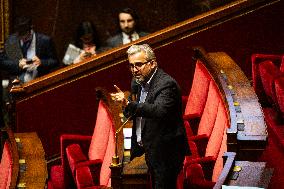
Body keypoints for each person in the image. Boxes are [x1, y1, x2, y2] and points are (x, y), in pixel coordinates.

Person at [111, 44, 190, 189]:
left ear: (152, 63)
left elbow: (159, 111)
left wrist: (129, 104)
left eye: (139, 65)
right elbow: (139, 110)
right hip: (151, 147)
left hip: (167, 151)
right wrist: (126, 106)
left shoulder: (166, 84)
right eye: (131, 65)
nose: (134, 70)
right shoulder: (138, 81)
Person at [2, 16, 59, 83]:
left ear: (31, 30)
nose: (23, 39)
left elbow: (55, 62)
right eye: (20, 37)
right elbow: (3, 61)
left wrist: (41, 63)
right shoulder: (11, 40)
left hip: (38, 81)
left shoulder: (45, 40)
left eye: (25, 37)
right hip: (16, 81)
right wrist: (18, 64)